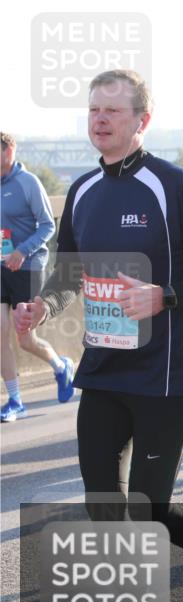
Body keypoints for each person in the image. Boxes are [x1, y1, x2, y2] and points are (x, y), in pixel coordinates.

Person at [14, 69, 183, 602]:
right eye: (94, 109)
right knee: (103, 502)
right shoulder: (85, 189)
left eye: (113, 111)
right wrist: (44, 306)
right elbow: (68, 271)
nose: (99, 119)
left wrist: (164, 297)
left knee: (149, 506)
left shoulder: (172, 186)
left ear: (141, 121)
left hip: (164, 375)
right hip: (103, 370)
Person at [1, 132, 75, 422]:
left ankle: (60, 366)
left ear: (8, 150)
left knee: (25, 339)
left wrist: (21, 251)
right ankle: (15, 400)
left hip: (28, 266)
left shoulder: (27, 182)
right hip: (0, 266)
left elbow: (47, 226)